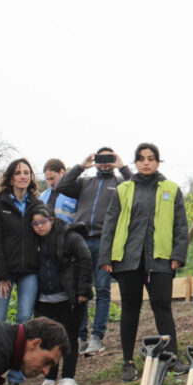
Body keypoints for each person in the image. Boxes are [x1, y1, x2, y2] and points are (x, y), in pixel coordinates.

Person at [99, 143, 189, 382]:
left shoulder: (171, 189)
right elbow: (110, 224)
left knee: (163, 307)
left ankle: (171, 356)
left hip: (160, 260)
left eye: (151, 158)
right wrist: (106, 257)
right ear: (136, 163)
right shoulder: (123, 189)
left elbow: (181, 225)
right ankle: (128, 362)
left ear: (158, 162)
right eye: (141, 159)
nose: (146, 162)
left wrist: (178, 255)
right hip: (129, 261)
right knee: (130, 309)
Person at [57, 148, 132, 356]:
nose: (104, 163)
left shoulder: (120, 184)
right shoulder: (85, 183)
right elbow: (62, 185)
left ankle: (97, 336)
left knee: (102, 289)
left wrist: (123, 167)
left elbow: (138, 188)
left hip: (104, 240)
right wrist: (82, 166)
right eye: (101, 159)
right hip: (80, 239)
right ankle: (80, 337)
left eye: (109, 159)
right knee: (80, 290)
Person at [0, 158, 41, 385]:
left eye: (26, 172)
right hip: (3, 273)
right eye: (18, 173)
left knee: (24, 319)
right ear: (11, 177)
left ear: (31, 177)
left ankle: (16, 376)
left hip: (29, 270)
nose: (22, 176)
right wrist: (1, 275)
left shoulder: (36, 204)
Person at [29, 205, 92, 385]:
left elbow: (86, 260)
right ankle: (49, 379)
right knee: (47, 340)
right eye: (35, 223)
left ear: (52, 220)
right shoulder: (34, 242)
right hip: (44, 299)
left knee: (68, 337)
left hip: (68, 298)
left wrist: (83, 290)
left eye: (43, 222)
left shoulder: (70, 237)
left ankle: (68, 377)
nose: (39, 227)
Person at [40, 159, 78, 224]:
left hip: (69, 232)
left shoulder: (77, 194)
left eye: (52, 178)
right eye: (47, 179)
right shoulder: (43, 196)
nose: (50, 183)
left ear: (62, 173)